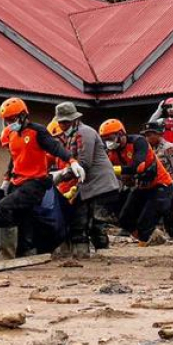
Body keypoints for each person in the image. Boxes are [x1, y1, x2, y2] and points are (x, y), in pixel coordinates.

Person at [0, 98, 80, 259]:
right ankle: (27, 250)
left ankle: (6, 254)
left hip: (35, 183)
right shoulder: (11, 134)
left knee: (3, 207)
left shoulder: (37, 131)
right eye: (6, 121)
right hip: (17, 181)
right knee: (24, 215)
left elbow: (55, 147)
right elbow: (14, 158)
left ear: (23, 115)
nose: (9, 124)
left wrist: (72, 161)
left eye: (12, 119)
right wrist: (6, 179)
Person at [53, 102, 120, 258]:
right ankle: (81, 254)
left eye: (66, 122)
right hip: (87, 186)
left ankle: (103, 255)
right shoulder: (71, 136)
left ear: (75, 120)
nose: (63, 125)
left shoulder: (85, 133)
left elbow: (84, 163)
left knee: (96, 223)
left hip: (101, 185)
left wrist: (61, 176)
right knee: (78, 220)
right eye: (61, 122)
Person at [100, 119, 173, 246]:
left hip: (160, 185)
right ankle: (151, 239)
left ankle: (145, 242)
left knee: (146, 221)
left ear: (120, 134)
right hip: (141, 187)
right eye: (105, 139)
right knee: (124, 219)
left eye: (110, 138)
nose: (108, 142)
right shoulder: (111, 153)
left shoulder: (138, 142)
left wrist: (113, 170)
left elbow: (137, 166)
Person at [143, 121, 173, 242]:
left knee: (168, 213)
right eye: (146, 135)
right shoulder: (149, 150)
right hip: (158, 186)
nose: (147, 138)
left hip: (172, 185)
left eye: (150, 135)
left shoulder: (168, 148)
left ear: (158, 134)